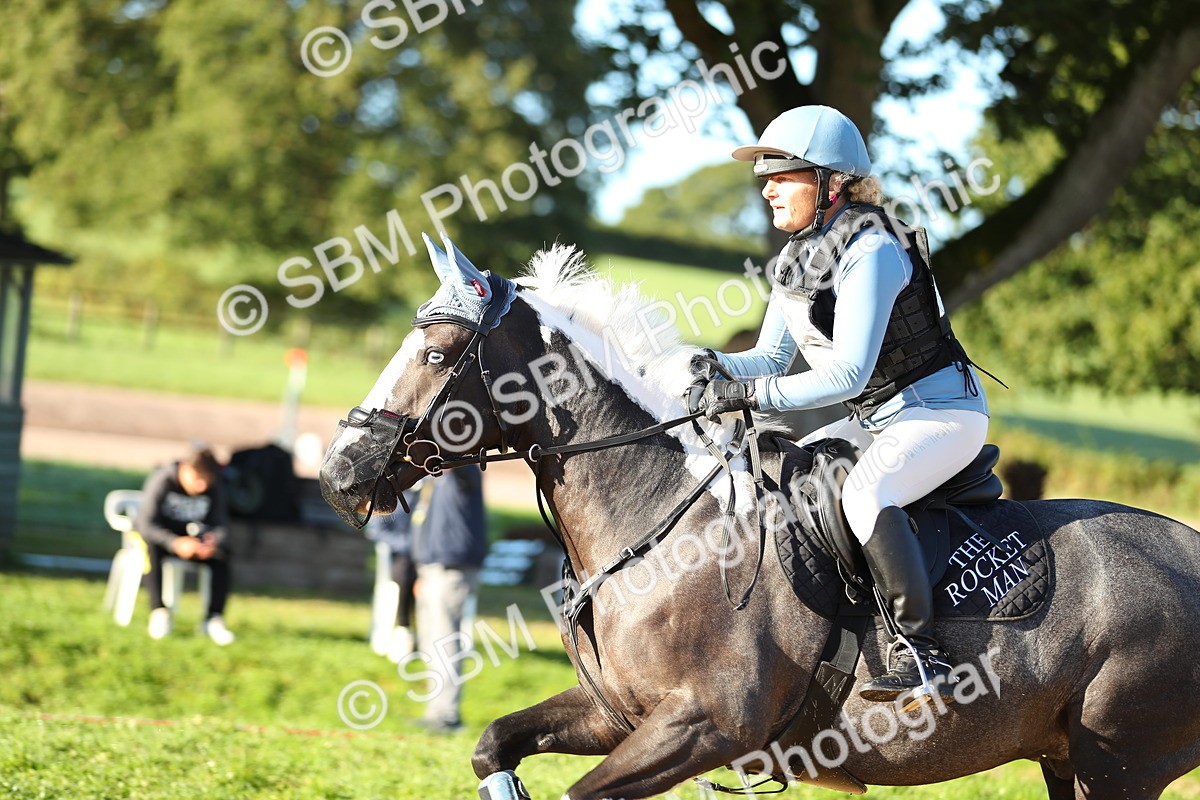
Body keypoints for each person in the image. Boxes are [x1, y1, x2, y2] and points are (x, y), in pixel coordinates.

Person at [687, 105, 991, 704]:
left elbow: (847, 374)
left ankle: (923, 653)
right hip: (880, 421)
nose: (767, 186)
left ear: (831, 181)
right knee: (786, 477)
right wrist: (703, 365)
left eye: (783, 174)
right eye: (765, 176)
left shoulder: (871, 249)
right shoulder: (797, 259)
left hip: (941, 416)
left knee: (864, 493)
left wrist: (744, 395)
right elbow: (770, 360)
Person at [410, 464, 487, 733]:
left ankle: (448, 715)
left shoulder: (465, 470)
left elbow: (460, 466)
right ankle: (435, 711)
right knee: (431, 642)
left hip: (452, 569)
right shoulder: (434, 480)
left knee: (446, 641)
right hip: (430, 568)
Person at [134, 447, 236, 645]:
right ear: (184, 468)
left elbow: (221, 524)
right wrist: (175, 543)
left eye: (206, 480)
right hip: (162, 538)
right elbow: (145, 524)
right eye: (197, 478)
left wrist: (212, 540)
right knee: (150, 549)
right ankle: (159, 611)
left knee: (223, 554)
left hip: (194, 541)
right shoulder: (163, 480)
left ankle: (213, 618)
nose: (201, 485)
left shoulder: (215, 486)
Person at [364, 485, 421, 663]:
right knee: (404, 576)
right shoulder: (390, 493)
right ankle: (404, 628)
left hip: (425, 555)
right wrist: (408, 546)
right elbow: (377, 530)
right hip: (400, 554)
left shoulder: (427, 492)